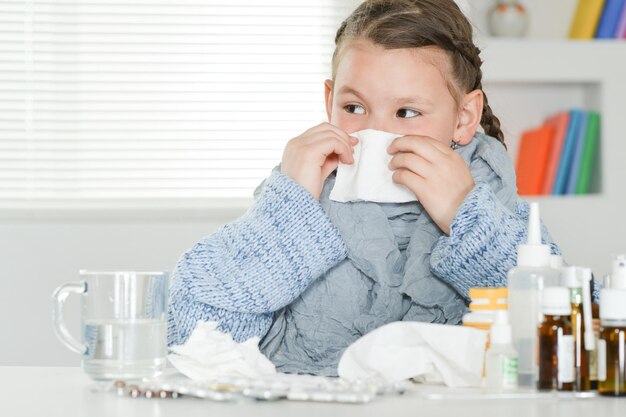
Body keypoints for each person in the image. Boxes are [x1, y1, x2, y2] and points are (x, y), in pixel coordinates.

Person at [167, 0, 560, 376]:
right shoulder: (299, 196)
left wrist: (465, 213)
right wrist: (287, 212)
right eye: (354, 108)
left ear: (464, 117)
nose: (378, 134)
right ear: (329, 101)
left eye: (407, 113)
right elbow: (189, 342)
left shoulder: (496, 204)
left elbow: (568, 333)